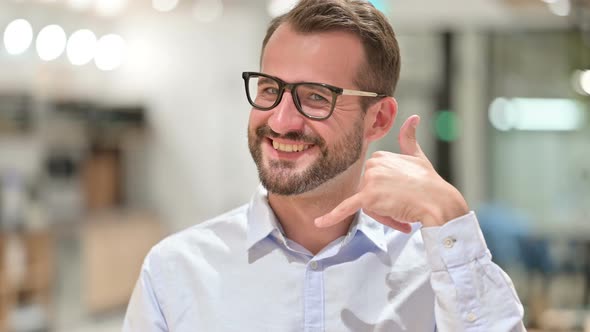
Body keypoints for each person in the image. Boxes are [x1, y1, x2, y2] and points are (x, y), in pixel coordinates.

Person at [123, 0, 525, 331]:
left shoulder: (435, 275)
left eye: (316, 97)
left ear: (379, 119)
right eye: (269, 89)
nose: (280, 121)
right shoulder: (176, 272)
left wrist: (449, 214)